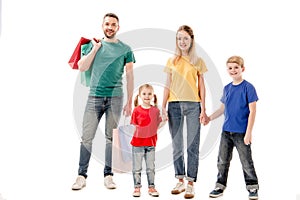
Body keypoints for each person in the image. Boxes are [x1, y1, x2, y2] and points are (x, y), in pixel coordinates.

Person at [71, 13, 135, 190]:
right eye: (107, 24)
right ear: (102, 26)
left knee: (110, 138)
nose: (110, 27)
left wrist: (130, 101)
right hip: (94, 97)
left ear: (118, 28)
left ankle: (108, 175)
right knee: (87, 137)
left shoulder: (126, 49)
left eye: (113, 24)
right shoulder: (93, 44)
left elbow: (130, 75)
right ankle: (81, 175)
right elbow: (82, 66)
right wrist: (95, 49)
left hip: (115, 97)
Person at [162, 25, 208, 199]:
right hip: (173, 106)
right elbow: (167, 84)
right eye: (179, 38)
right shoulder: (171, 61)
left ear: (191, 40)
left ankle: (190, 183)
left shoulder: (198, 61)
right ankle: (179, 180)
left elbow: (202, 86)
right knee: (177, 145)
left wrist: (203, 108)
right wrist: (162, 107)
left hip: (193, 105)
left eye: (185, 39)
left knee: (192, 145)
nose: (182, 42)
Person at [205, 56, 259, 200]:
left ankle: (252, 187)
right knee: (222, 160)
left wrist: (249, 132)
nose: (233, 70)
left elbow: (253, 111)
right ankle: (219, 186)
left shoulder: (248, 87)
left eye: (236, 67)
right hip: (226, 132)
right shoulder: (227, 88)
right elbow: (222, 108)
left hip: (241, 133)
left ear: (243, 69)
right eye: (230, 68)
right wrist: (209, 118)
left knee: (246, 161)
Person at [130, 84, 166, 197]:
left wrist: (164, 120)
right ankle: (137, 188)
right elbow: (133, 126)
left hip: (151, 144)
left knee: (151, 167)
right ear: (140, 96)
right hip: (137, 144)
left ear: (153, 95)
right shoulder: (136, 110)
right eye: (144, 94)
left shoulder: (155, 110)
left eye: (149, 94)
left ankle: (151, 187)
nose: (147, 96)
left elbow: (157, 125)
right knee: (137, 168)